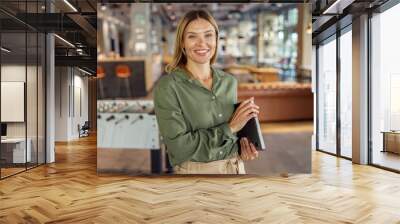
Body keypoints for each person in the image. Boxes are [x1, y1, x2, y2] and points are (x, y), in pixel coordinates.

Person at [154, 9, 259, 174]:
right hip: (195, 175)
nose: (202, 43)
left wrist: (242, 149)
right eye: (192, 36)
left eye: (208, 35)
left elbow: (232, 137)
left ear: (216, 39)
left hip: (236, 169)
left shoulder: (229, 82)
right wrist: (230, 128)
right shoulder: (168, 87)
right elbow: (179, 147)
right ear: (182, 43)